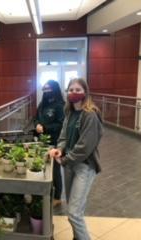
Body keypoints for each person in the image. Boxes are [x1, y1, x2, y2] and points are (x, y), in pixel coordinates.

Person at [49, 78, 103, 240]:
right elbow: (64, 136)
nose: (74, 93)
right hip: (70, 166)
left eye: (78, 90)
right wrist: (59, 149)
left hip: (84, 167)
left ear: (85, 92)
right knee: (76, 211)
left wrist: (65, 160)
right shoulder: (70, 112)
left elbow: (85, 146)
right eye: (71, 89)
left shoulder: (90, 114)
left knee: (73, 214)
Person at [34, 80, 65, 207]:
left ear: (54, 90)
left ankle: (57, 197)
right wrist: (37, 125)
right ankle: (46, 192)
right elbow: (35, 118)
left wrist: (45, 127)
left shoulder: (60, 105)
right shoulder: (42, 104)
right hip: (42, 141)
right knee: (44, 167)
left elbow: (61, 125)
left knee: (55, 170)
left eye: (49, 89)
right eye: (44, 89)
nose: (46, 92)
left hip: (55, 142)